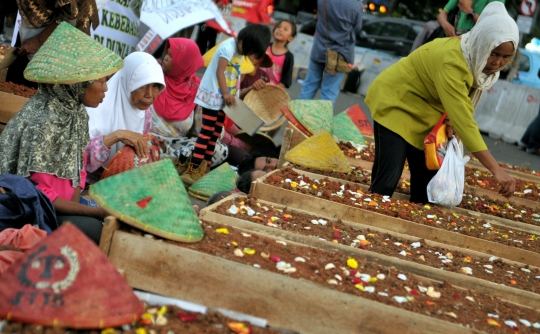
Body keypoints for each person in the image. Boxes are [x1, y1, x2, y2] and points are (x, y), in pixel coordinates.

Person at [365, 2, 517, 204]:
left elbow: (463, 103)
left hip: (428, 116)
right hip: (397, 104)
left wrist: (451, 122)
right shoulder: (453, 61)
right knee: (386, 181)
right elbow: (464, 120)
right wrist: (496, 170)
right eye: (494, 53)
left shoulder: (476, 59)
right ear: (482, 44)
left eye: (506, 57)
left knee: (426, 194)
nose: (498, 62)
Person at [0, 22, 123, 244]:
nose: (106, 88)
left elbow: (76, 175)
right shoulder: (44, 121)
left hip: (58, 207)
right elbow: (38, 195)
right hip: (28, 210)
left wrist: (78, 209)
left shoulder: (75, 114)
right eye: (101, 80)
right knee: (95, 230)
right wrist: (93, 212)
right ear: (77, 84)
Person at [180, 24, 271, 186]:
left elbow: (233, 76)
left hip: (224, 102)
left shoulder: (238, 52)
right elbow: (220, 72)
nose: (249, 55)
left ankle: (204, 166)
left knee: (215, 134)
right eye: (250, 51)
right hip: (212, 98)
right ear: (246, 41)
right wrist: (227, 94)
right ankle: (193, 168)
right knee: (206, 133)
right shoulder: (227, 48)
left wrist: (233, 96)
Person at [149, 38, 229, 171]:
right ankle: (171, 166)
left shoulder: (197, 90)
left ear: (184, 63)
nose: (165, 58)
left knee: (220, 149)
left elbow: (201, 132)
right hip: (147, 140)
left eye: (171, 56)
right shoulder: (153, 76)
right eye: (166, 54)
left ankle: (168, 162)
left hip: (174, 146)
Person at [85, 52, 165, 182]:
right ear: (127, 81)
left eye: (155, 86)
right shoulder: (96, 108)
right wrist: (117, 135)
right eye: (142, 85)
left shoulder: (145, 112)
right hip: (90, 183)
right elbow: (78, 159)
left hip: (123, 181)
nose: (149, 95)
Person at [7, 0, 99, 88]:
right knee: (16, 76)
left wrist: (38, 40)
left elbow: (70, 15)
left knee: (32, 86)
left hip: (60, 37)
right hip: (38, 32)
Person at [298, 0, 362, 106]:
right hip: (340, 55)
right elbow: (357, 28)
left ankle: (297, 119)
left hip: (320, 49)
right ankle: (321, 121)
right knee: (328, 95)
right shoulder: (356, 5)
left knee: (308, 88)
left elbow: (318, 17)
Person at [437, 0, 504, 37]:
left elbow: (492, 26)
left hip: (473, 44)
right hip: (455, 39)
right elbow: (442, 14)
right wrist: (445, 25)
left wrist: (469, 10)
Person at [261, 19, 296, 89]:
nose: (280, 30)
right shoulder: (264, 47)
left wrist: (275, 89)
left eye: (285, 29)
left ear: (290, 38)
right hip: (256, 84)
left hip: (272, 90)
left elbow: (286, 79)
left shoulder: (288, 56)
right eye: (278, 27)